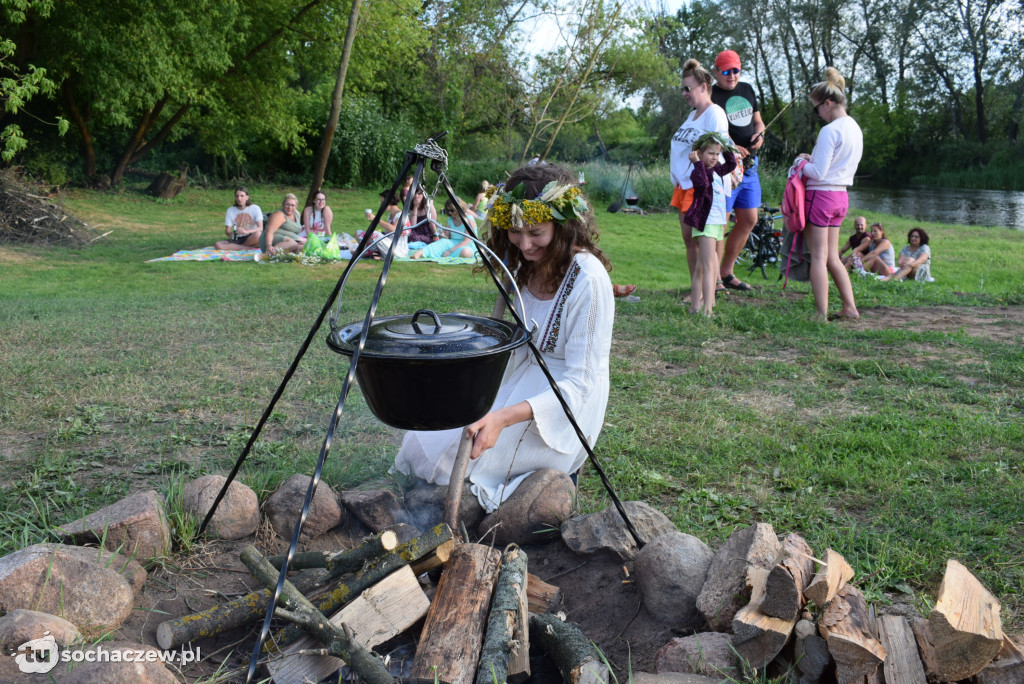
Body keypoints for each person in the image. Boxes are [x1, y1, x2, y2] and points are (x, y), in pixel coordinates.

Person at [393, 163, 614, 512]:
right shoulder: (522, 265)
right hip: (520, 378)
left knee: (471, 461)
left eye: (536, 233)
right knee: (424, 442)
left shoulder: (587, 279)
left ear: (563, 225)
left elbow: (581, 384)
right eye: (514, 231)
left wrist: (501, 418)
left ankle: (527, 498)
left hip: (563, 407)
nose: (525, 244)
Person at [798, 67, 862, 321]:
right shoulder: (854, 127)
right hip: (841, 197)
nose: (818, 115)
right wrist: (811, 159)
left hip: (821, 197)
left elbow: (819, 172)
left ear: (827, 103)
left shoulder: (830, 130)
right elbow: (836, 164)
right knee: (833, 256)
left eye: (817, 109)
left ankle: (821, 313)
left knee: (819, 257)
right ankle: (850, 307)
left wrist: (800, 163)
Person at [670, 58, 730, 305]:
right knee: (689, 240)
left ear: (704, 86)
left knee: (704, 240)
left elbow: (718, 152)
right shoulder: (692, 115)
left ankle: (705, 293)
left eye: (688, 88)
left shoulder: (714, 114)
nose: (684, 93)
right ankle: (696, 291)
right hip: (683, 185)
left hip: (700, 186)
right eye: (683, 88)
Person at [711, 50, 765, 293]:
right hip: (725, 168)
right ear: (716, 72)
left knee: (749, 219)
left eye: (735, 70)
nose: (731, 76)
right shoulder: (711, 94)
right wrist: (731, 147)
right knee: (720, 223)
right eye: (725, 71)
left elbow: (758, 121)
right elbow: (709, 131)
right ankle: (713, 278)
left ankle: (727, 271)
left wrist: (759, 135)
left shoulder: (747, 90)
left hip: (750, 167)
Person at [684, 132, 737, 316]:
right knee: (709, 267)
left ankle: (694, 307)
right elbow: (703, 185)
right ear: (699, 153)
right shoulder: (698, 172)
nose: (714, 158)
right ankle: (707, 309)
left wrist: (727, 146)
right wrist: (697, 163)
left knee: (701, 267)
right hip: (705, 224)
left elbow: (732, 164)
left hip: (716, 222)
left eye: (717, 154)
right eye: (710, 154)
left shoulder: (717, 170)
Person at [411, 198, 478, 259]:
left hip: (468, 245)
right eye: (448, 210)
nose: (449, 212)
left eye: (452, 210)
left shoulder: (469, 220)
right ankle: (419, 253)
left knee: (465, 252)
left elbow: (466, 241)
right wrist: (440, 232)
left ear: (458, 208)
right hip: (453, 242)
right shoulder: (450, 220)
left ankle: (447, 254)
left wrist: (450, 251)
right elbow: (446, 237)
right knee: (442, 242)